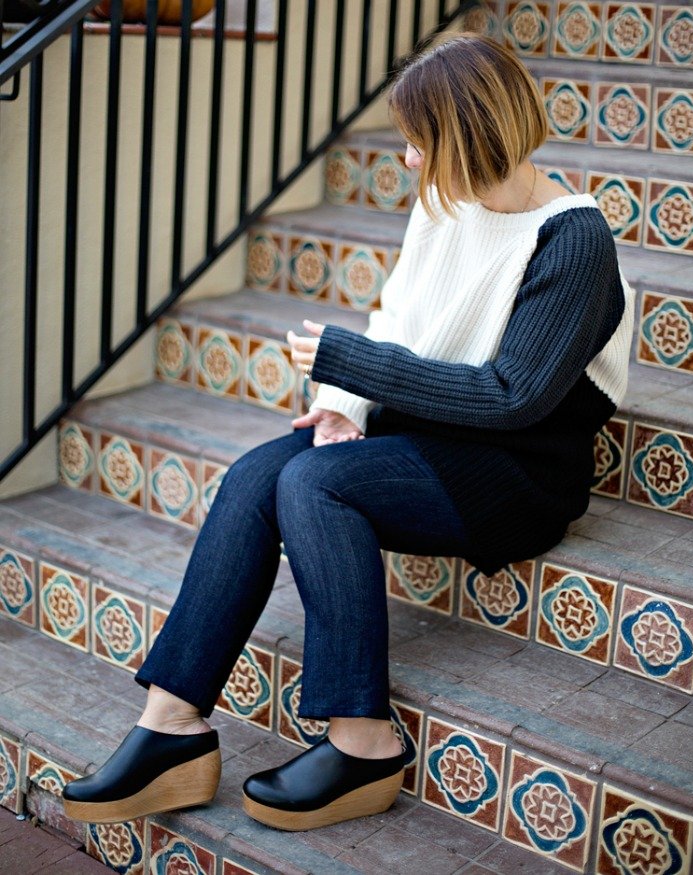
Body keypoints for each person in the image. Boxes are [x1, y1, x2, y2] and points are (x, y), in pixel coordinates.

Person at [62, 32, 633, 831]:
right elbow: (398, 316)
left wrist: (350, 362)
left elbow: (513, 398)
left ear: (467, 138)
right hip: (427, 434)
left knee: (315, 483)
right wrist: (345, 402)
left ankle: (363, 739)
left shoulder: (575, 240)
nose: (405, 158)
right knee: (257, 474)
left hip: (516, 470)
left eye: (417, 140)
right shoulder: (448, 202)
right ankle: (171, 727)